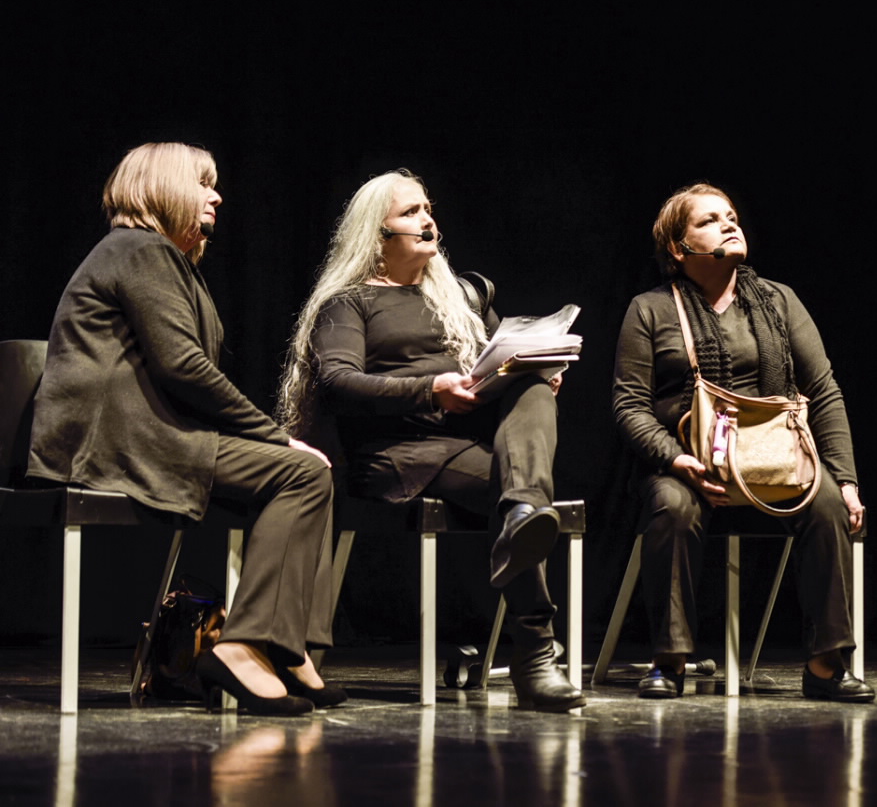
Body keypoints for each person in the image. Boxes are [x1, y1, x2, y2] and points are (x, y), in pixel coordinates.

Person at [28, 142, 344, 716]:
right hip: (119, 441)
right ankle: (247, 648)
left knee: (308, 472)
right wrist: (273, 435)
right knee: (300, 472)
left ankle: (285, 646)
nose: (216, 196)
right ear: (162, 187)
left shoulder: (166, 261)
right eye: (202, 183)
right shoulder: (137, 249)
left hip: (155, 433)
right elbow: (183, 368)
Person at [277, 169, 584, 712]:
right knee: (517, 498)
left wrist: (535, 368)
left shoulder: (461, 297)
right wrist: (430, 389)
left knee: (534, 392)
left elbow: (499, 360)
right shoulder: (348, 303)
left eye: (428, 209)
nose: (427, 220)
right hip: (398, 455)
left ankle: (522, 512)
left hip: (468, 443)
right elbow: (338, 382)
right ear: (378, 233)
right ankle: (536, 654)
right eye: (411, 212)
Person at [612, 182, 873, 702]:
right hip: (687, 462)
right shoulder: (651, 309)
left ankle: (826, 665)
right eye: (708, 220)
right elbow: (629, 405)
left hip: (773, 457)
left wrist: (845, 480)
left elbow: (823, 391)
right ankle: (670, 660)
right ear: (678, 248)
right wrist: (677, 460)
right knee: (671, 507)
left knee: (827, 506)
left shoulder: (778, 300)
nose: (728, 224)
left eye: (730, 216)